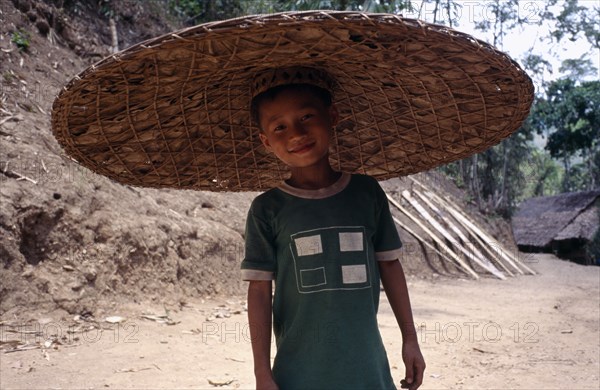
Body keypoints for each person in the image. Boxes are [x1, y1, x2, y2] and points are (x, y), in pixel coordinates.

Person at [241, 69, 426, 390]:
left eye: (307, 116)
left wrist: (411, 339)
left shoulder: (366, 193)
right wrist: (261, 371)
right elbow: (258, 291)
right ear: (266, 141)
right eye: (279, 127)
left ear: (333, 115)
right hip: (297, 370)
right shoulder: (267, 209)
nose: (296, 133)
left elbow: (390, 265)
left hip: (366, 365)